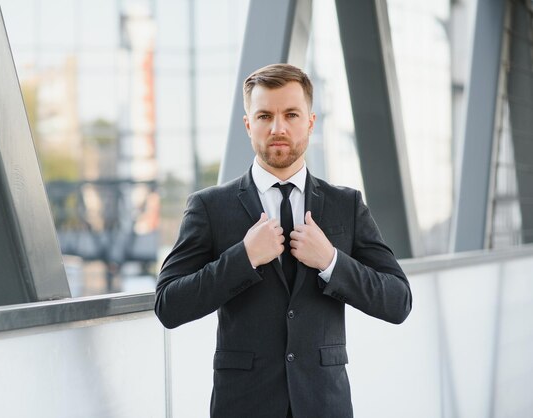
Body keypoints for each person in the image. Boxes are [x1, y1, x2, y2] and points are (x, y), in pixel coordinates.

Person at [155, 63, 412, 418]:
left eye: (291, 114)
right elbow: (169, 304)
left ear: (310, 121)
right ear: (248, 125)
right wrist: (243, 258)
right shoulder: (210, 207)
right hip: (243, 406)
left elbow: (398, 301)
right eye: (264, 116)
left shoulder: (346, 205)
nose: (278, 128)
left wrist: (331, 262)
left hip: (325, 405)